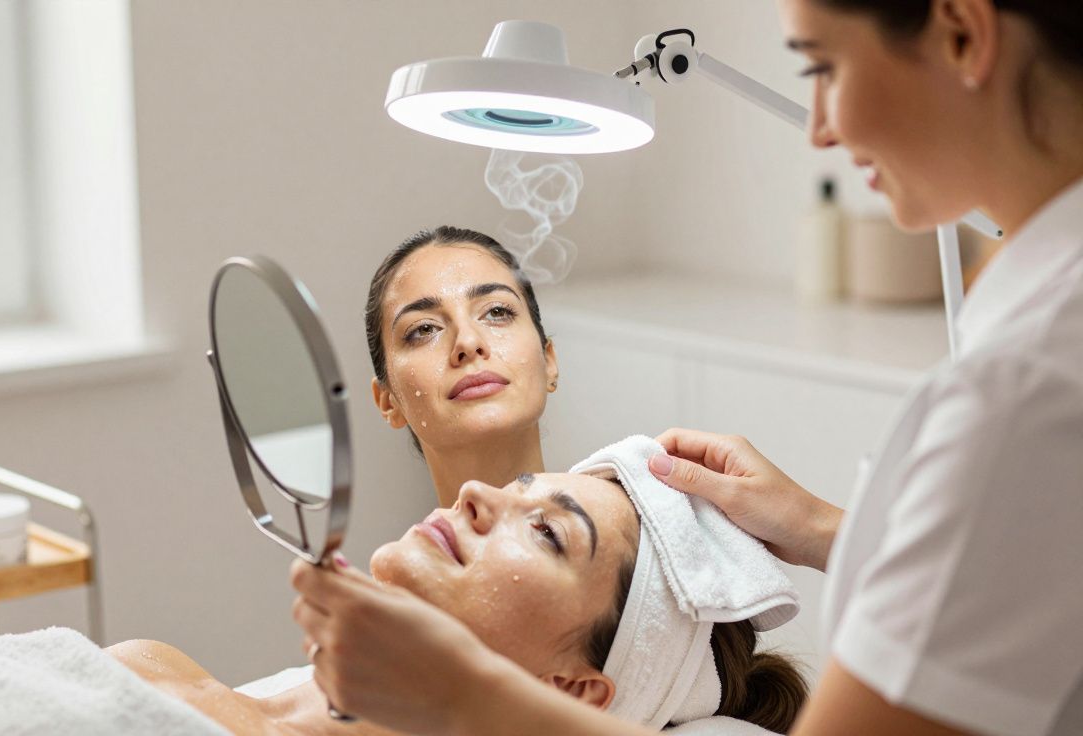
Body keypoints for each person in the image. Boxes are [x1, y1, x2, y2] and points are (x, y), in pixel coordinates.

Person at [289, 1, 1083, 734]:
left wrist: (461, 694)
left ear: (962, 34)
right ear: (385, 397)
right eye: (422, 328)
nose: (816, 129)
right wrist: (822, 530)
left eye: (821, 68)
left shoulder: (1026, 393)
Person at [111, 469, 807, 734]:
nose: (476, 491)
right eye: (521, 484)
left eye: (545, 531)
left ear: (570, 686)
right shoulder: (150, 662)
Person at [364, 226, 559, 506]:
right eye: (424, 329)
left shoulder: (638, 528)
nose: (467, 342)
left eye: (496, 312)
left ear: (548, 361)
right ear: (387, 401)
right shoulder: (392, 553)